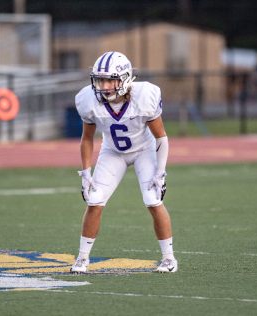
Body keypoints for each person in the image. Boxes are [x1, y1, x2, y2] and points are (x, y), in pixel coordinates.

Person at [71, 52, 177, 274]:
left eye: (111, 80)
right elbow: (87, 138)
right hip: (112, 151)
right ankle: (82, 258)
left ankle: (169, 258)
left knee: (152, 199)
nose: (105, 86)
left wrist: (161, 171)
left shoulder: (144, 96)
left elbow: (161, 137)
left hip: (143, 149)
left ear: (126, 79)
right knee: (95, 200)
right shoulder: (88, 100)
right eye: (100, 80)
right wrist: (86, 171)